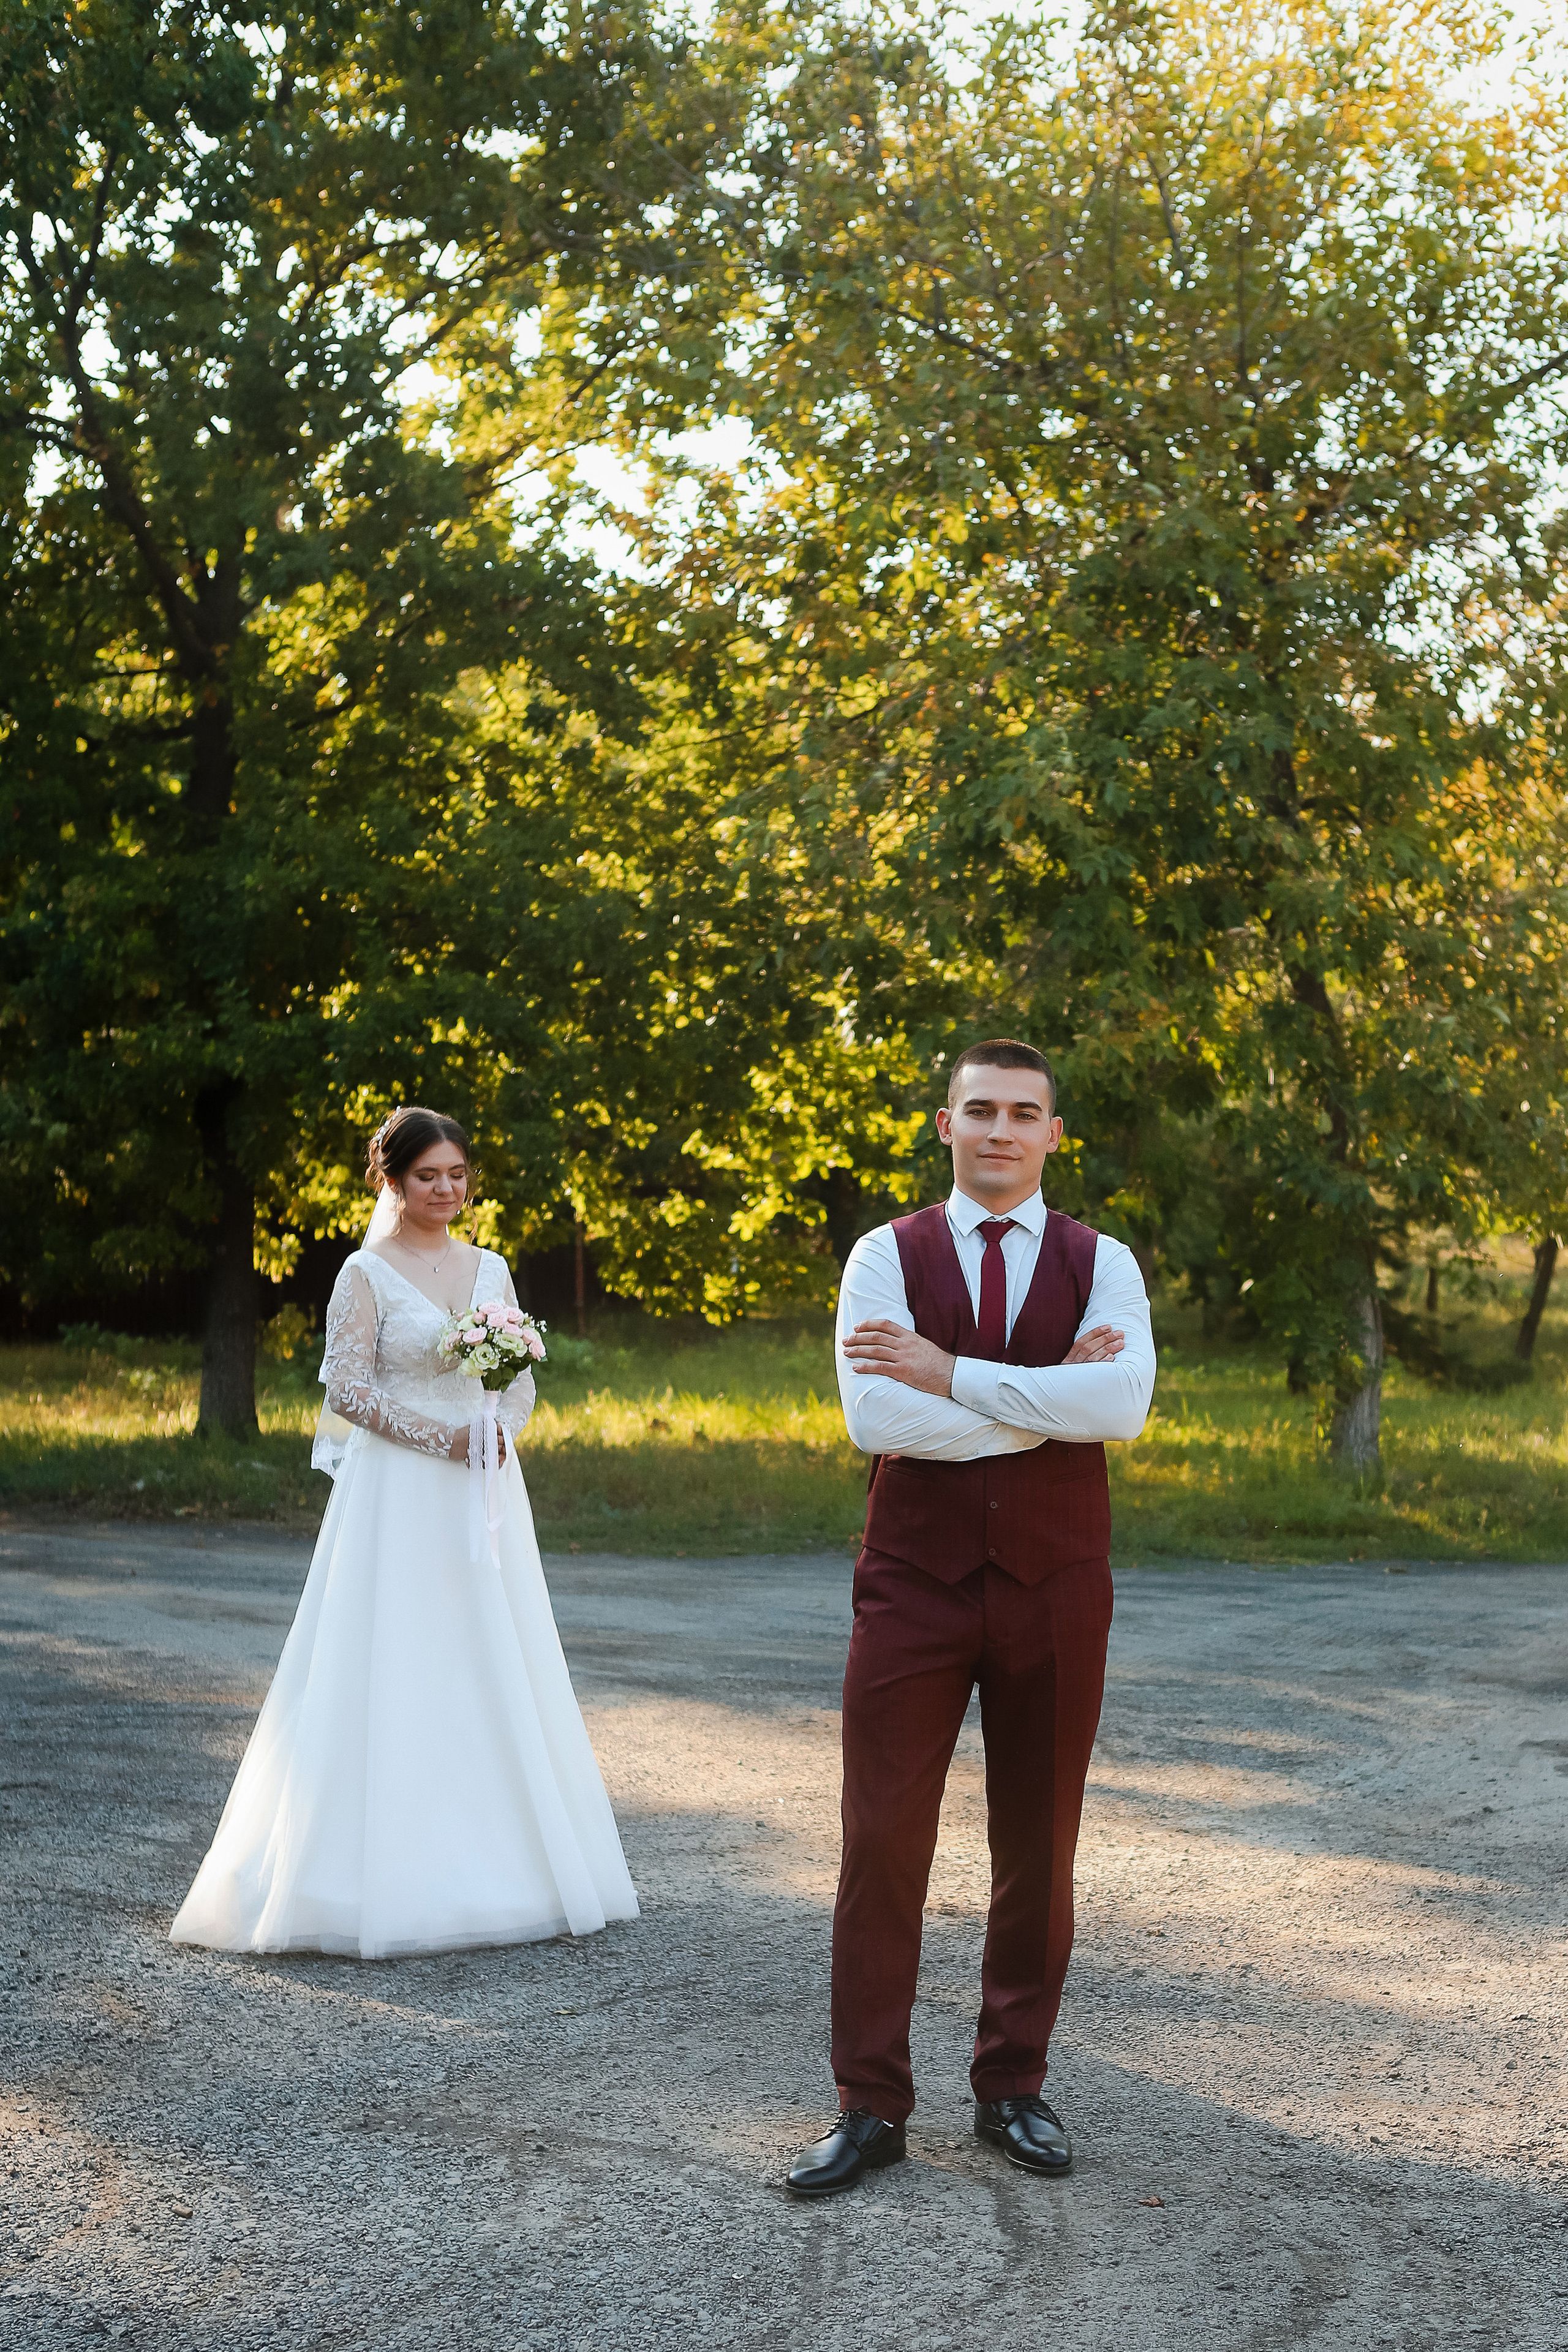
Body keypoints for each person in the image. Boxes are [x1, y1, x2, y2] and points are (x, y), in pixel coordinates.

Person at [786, 1041, 1155, 2196]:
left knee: (1039, 1845)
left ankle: (1012, 2087)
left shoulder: (1107, 1265)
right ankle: (870, 2106)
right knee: (880, 1840)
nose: (1001, 1130)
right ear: (945, 1126)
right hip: (912, 1586)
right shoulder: (879, 1257)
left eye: (1024, 1114)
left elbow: (1125, 1405)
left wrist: (949, 1372)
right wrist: (1049, 1399)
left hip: (1057, 1587)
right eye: (980, 1110)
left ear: (1054, 1135)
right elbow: (873, 1418)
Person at [171, 1106, 638, 1959]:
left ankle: (511, 1866)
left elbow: (522, 1372)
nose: (447, 1190)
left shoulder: (491, 1264)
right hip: (400, 1489)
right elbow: (347, 1390)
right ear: (393, 1180)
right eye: (430, 1176)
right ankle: (371, 1875)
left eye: (458, 1175)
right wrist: (443, 1440)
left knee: (491, 1649)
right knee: (396, 1655)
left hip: (486, 1482)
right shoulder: (365, 1272)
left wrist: (500, 1434)